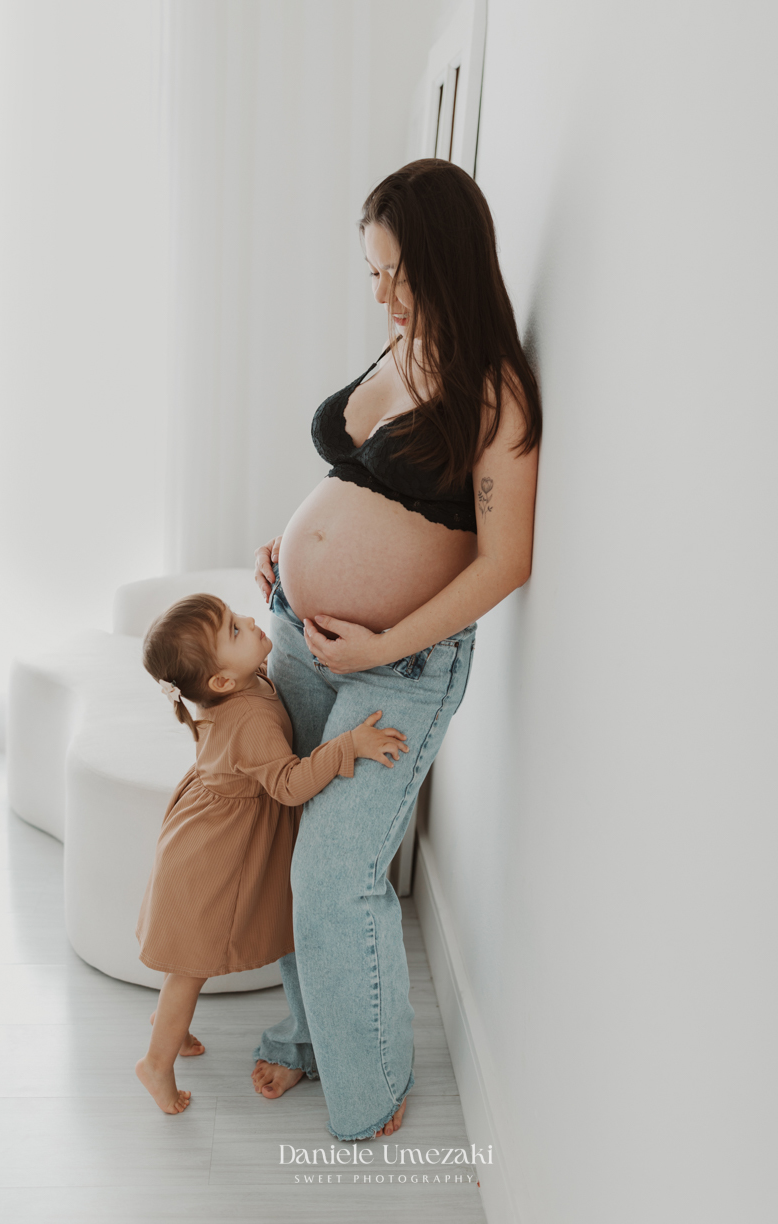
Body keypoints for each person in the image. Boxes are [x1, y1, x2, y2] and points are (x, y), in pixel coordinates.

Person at [250, 158, 542, 1141]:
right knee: (290, 839)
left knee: (335, 872)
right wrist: (291, 557)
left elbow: (505, 562)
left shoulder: (496, 391)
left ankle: (368, 1097)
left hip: (401, 668)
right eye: (371, 271)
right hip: (299, 633)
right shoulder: (399, 345)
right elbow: (358, 488)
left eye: (393, 272)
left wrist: (378, 638)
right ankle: (304, 1038)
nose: (378, 292)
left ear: (444, 262)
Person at [134, 592, 408, 1114]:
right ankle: (157, 1063)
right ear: (220, 681)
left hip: (200, 834)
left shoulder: (234, 690)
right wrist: (348, 746)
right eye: (235, 631)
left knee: (189, 962)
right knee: (189, 968)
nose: (249, 621)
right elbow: (288, 784)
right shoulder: (249, 721)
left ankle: (175, 1026)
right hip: (209, 858)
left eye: (236, 618)